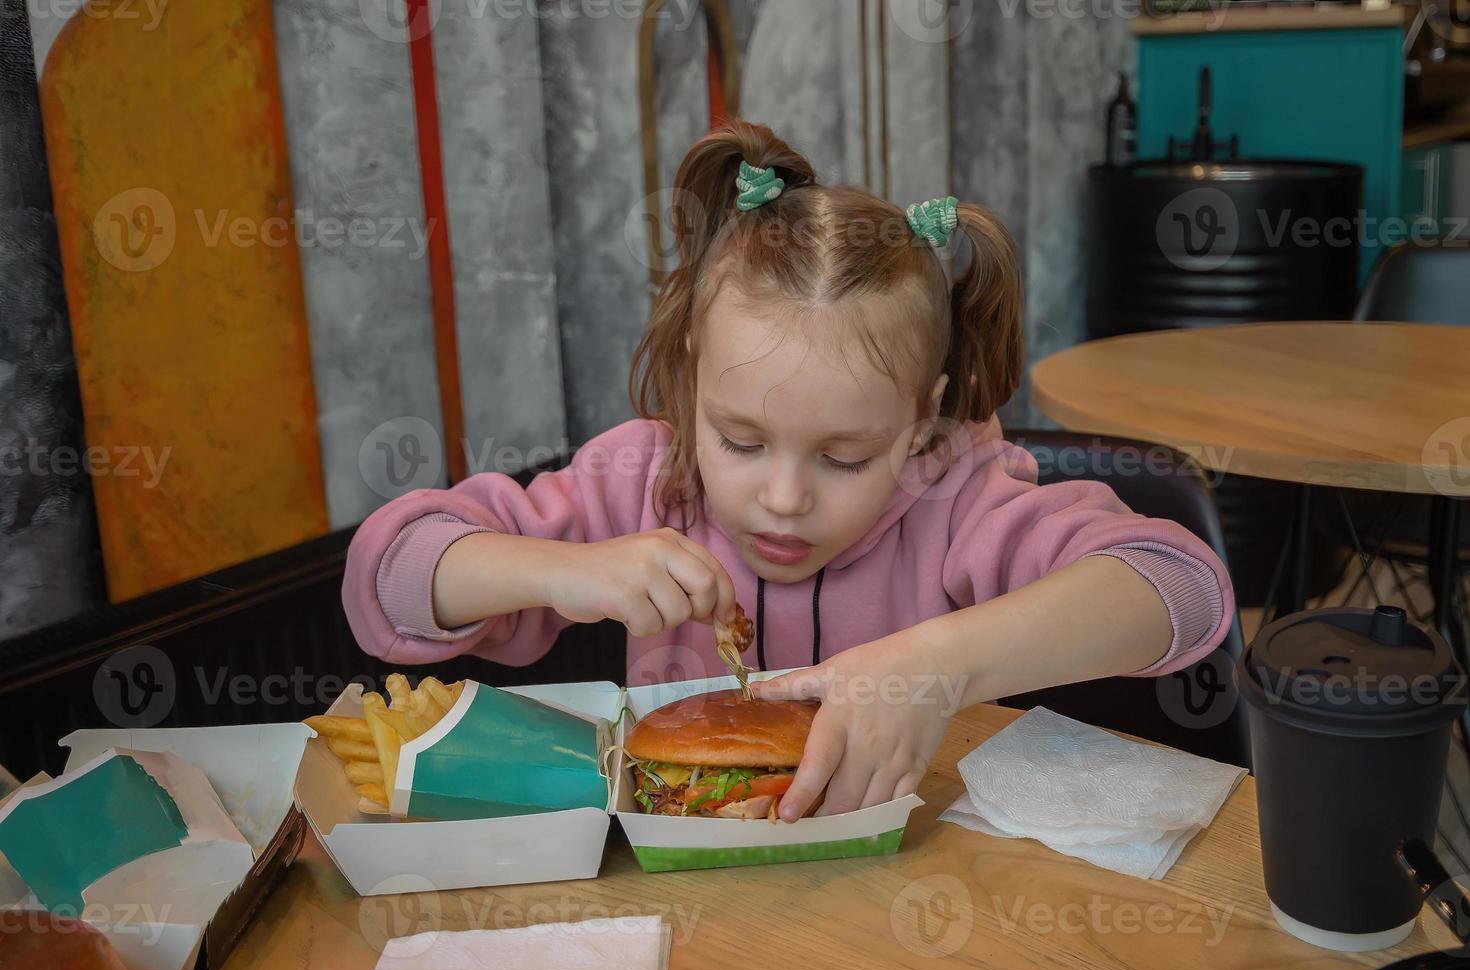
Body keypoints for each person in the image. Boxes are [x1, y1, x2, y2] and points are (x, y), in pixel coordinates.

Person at [343, 119, 1234, 823]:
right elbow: (387, 578)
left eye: (845, 457)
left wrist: (936, 666)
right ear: (692, 372)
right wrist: (560, 570)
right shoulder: (643, 476)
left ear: (923, 415)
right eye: (739, 440)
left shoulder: (954, 490)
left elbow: (1179, 588)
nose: (782, 498)